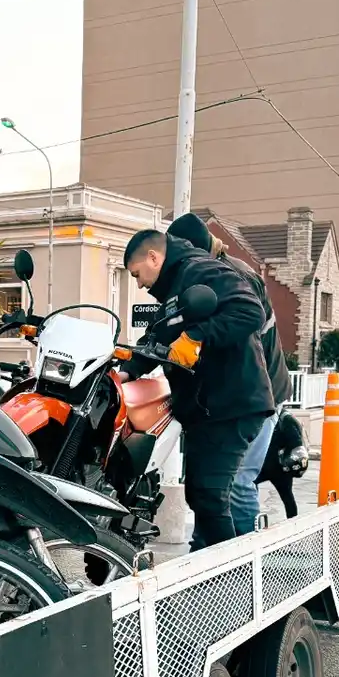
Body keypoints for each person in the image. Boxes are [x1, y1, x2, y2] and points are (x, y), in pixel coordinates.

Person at [118, 227, 274, 549]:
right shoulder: (174, 289)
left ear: (153, 257)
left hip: (232, 403)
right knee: (202, 496)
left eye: (137, 274)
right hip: (210, 407)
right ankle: (205, 572)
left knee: (209, 494)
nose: (139, 284)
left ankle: (231, 582)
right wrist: (125, 371)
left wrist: (197, 336)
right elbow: (158, 337)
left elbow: (250, 311)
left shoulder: (200, 270)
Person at [167, 213, 292, 538]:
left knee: (236, 482)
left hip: (259, 394)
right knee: (213, 487)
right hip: (234, 397)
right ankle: (207, 555)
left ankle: (242, 565)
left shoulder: (233, 274)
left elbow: (244, 337)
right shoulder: (205, 272)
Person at [255, 410, 309, 519]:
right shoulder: (268, 417)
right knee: (249, 485)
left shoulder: (286, 419)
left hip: (280, 468)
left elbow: (296, 444)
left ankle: (293, 523)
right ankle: (254, 516)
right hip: (267, 467)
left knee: (287, 497)